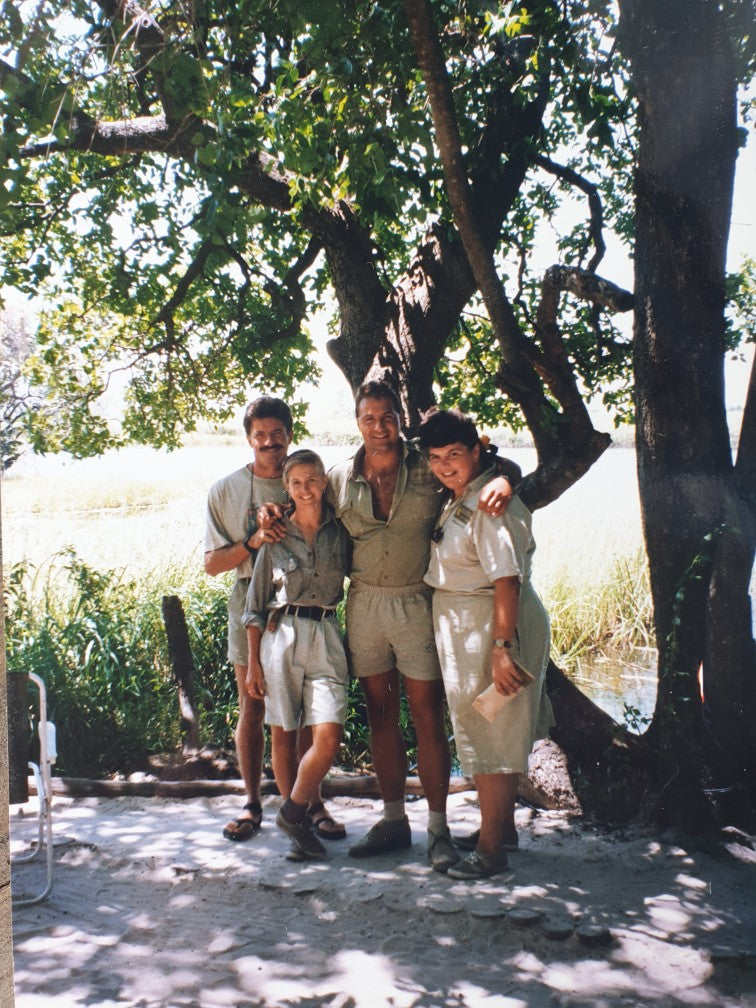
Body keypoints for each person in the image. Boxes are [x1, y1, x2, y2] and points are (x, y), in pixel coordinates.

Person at [326, 381, 518, 873]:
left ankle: (438, 829)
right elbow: (302, 505)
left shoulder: (429, 464)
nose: (378, 427)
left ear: (398, 417)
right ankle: (393, 821)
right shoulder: (338, 477)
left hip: (418, 602)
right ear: (357, 422)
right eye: (368, 418)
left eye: (387, 416)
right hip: (364, 602)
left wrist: (507, 479)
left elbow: (490, 468)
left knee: (427, 713)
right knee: (379, 712)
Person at [419, 408, 555, 880]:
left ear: (477, 450)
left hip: (493, 628)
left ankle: (492, 851)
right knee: (485, 730)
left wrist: (502, 647)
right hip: (468, 628)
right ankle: (500, 830)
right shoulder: (467, 492)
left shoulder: (492, 506)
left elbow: (507, 581)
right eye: (435, 457)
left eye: (454, 454)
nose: (443, 465)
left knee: (496, 736)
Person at [204, 398, 343, 843]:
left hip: (300, 601)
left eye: (277, 433)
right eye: (260, 434)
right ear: (249, 438)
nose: (269, 442)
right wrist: (255, 540)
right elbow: (211, 564)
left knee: (302, 712)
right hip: (250, 595)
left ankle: (309, 802)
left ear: (289, 433)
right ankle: (251, 802)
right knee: (254, 703)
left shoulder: (304, 480)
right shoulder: (225, 490)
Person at [241, 450, 350, 861]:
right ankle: (299, 831)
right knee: (284, 732)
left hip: (326, 632)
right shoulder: (275, 537)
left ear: (324, 482)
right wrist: (253, 663)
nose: (306, 489)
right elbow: (254, 607)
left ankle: (292, 811)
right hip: (280, 635)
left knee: (328, 735)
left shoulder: (340, 533)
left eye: (313, 480)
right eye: (297, 483)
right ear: (286, 488)